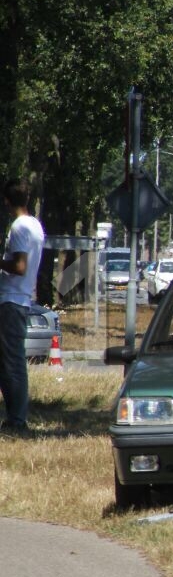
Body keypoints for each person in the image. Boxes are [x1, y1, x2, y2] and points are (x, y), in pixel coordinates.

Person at [0, 179, 45, 432]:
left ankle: (17, 419)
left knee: (12, 362)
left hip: (11, 299)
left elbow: (19, 266)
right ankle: (14, 415)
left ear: (6, 201)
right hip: (21, 298)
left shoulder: (19, 227)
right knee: (9, 360)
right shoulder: (35, 226)